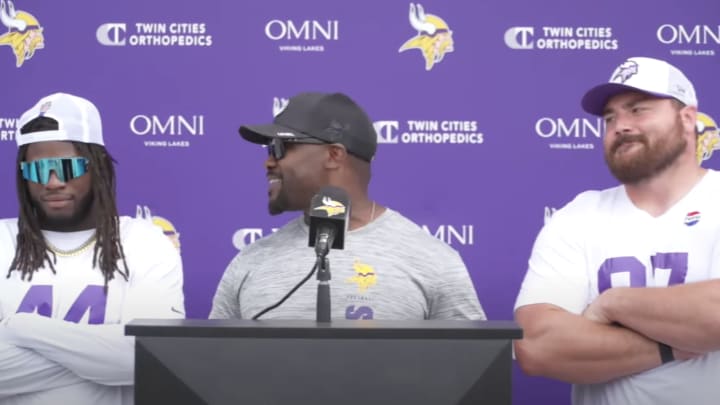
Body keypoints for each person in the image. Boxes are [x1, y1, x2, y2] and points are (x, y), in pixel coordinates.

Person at [514, 56, 720, 405]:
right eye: (610, 118)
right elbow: (537, 347)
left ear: (687, 119)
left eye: (638, 110)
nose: (620, 125)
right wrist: (675, 345)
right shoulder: (578, 215)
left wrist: (613, 303)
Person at [210, 92, 484, 321]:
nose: (269, 162)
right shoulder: (250, 261)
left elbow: (471, 370)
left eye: (279, 148)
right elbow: (213, 365)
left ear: (333, 155)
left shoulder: (432, 260)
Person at [0, 93, 185, 404]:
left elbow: (149, 359)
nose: (53, 181)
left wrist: (21, 327)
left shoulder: (144, 242)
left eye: (67, 167)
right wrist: (100, 359)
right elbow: (128, 360)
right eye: (37, 170)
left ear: (97, 165)